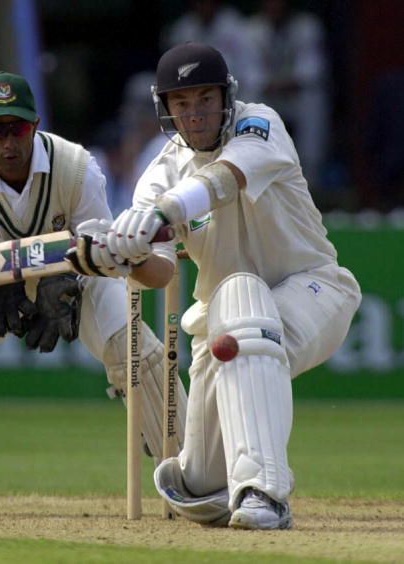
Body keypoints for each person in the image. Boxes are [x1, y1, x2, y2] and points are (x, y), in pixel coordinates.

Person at [68, 43, 361, 530]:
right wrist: (127, 258)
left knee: (244, 298)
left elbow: (225, 179)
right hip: (220, 326)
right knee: (203, 481)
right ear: (166, 108)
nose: (195, 113)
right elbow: (160, 275)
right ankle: (219, 485)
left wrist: (161, 215)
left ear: (227, 97)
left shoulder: (260, 124)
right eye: (181, 103)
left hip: (314, 290)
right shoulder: (158, 175)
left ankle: (265, 492)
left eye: (205, 98)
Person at [0, 71, 187, 513]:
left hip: (81, 276)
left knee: (135, 347)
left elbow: (101, 250)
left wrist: (64, 281)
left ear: (35, 124)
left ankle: (187, 470)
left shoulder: (77, 167)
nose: (9, 143)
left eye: (18, 128)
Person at [247, 0, 330, 189]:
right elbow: (249, 73)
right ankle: (257, 174)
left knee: (313, 99)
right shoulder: (251, 29)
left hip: (296, 95)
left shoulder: (307, 26)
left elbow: (312, 70)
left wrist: (287, 83)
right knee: (248, 99)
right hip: (267, 95)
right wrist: (271, 84)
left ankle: (311, 176)